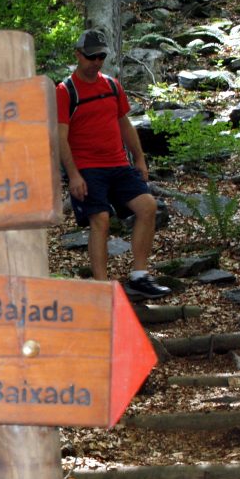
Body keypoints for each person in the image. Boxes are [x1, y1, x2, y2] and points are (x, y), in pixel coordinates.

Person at [56, 29, 170, 299]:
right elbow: (60, 137)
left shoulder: (111, 85)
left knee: (147, 206)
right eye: (91, 57)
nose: (96, 62)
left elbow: (124, 125)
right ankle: (101, 287)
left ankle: (140, 276)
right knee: (101, 219)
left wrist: (139, 158)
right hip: (87, 167)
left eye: (101, 57)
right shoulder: (65, 91)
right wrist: (73, 175)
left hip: (117, 163)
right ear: (78, 55)